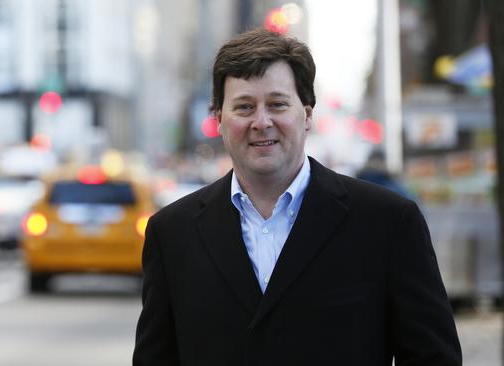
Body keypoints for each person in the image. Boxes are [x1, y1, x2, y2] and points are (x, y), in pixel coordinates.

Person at [133, 28, 461, 365]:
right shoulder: (171, 233)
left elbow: (434, 357)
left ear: (306, 115)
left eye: (277, 104)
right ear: (218, 119)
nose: (261, 122)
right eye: (244, 107)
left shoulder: (388, 222)